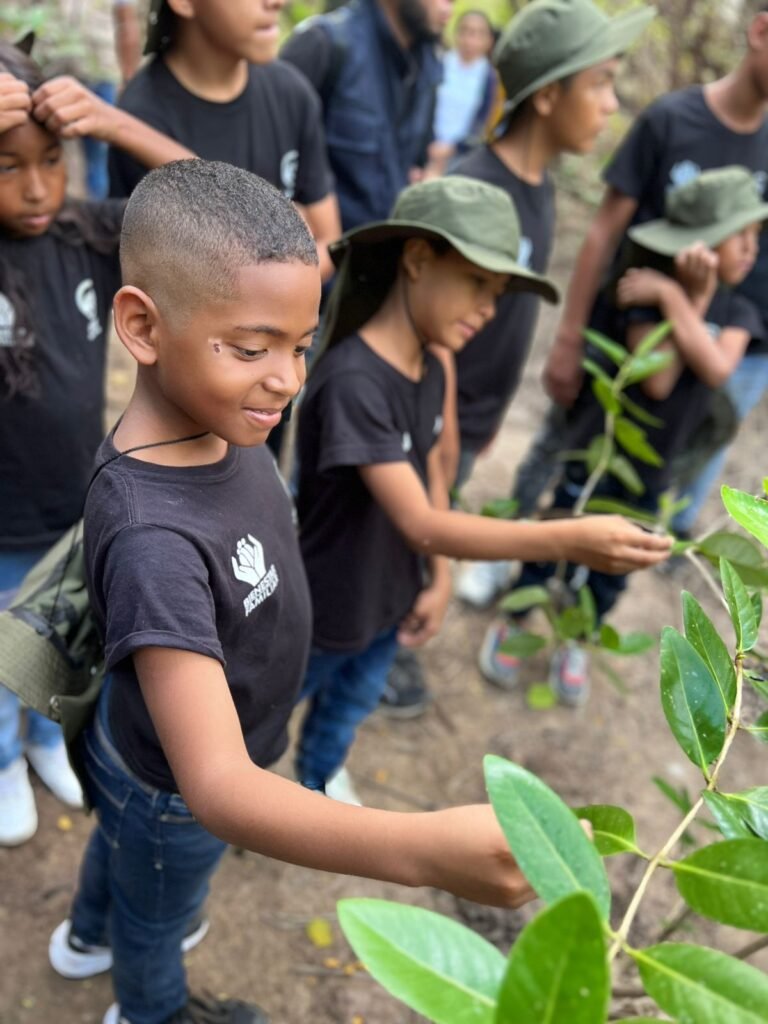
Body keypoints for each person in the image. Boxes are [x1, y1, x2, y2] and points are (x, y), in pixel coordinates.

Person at [48, 160, 545, 1024]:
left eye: (299, 346)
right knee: (158, 917)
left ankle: (89, 932)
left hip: (139, 767)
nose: (286, 378)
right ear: (140, 325)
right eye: (251, 348)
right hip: (170, 792)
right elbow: (221, 789)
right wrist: (422, 849)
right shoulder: (154, 539)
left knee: (135, 872)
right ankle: (150, 1009)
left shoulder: (219, 416)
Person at [293, 174, 672, 804]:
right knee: (282, 699)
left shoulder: (434, 357)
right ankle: (228, 803)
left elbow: (437, 474)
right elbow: (419, 520)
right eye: (478, 283)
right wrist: (567, 541)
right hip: (328, 605)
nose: (490, 309)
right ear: (417, 259)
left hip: (391, 595)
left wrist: (436, 576)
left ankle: (316, 782)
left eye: (498, 292)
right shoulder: (354, 383)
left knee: (352, 704)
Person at [0, 42, 193, 847]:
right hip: (0, 524)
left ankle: (45, 737)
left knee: (59, 639)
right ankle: (3, 758)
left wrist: (116, 123)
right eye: (9, 166)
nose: (41, 185)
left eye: (54, 159)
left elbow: (212, 205)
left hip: (78, 503)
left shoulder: (84, 233)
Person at [490, 166, 766, 707]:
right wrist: (675, 296)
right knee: (560, 533)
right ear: (700, 244)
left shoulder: (739, 309)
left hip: (655, 469)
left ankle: (581, 637)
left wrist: (682, 300)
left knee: (619, 563)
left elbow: (714, 368)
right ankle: (518, 618)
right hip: (601, 453)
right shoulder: (641, 285)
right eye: (742, 237)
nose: (753, 250)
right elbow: (657, 378)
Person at [520, 0, 768, 535]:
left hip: (737, 336)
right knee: (570, 446)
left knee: (671, 469)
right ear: (761, 31)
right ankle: (515, 545)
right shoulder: (671, 119)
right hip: (627, 332)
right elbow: (605, 230)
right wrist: (569, 337)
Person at [448, 0, 655, 612]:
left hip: (468, 422)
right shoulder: (477, 193)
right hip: (435, 423)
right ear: (545, 97)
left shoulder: (537, 186)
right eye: (600, 83)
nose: (612, 104)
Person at [281, 0, 451, 232]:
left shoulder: (429, 65)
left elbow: (418, 161)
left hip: (384, 253)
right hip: (322, 256)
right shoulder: (324, 43)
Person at [14, 0, 142, 198]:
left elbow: (127, 25)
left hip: (99, 77)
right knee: (49, 152)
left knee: (99, 155)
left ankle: (98, 212)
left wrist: (129, 78)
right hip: (49, 75)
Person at [429, 8, 497, 174]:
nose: (470, 41)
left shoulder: (488, 77)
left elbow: (481, 121)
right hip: (427, 146)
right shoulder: (440, 62)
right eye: (465, 32)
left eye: (478, 34)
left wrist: (451, 148)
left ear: (488, 41)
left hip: (459, 155)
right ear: (456, 34)